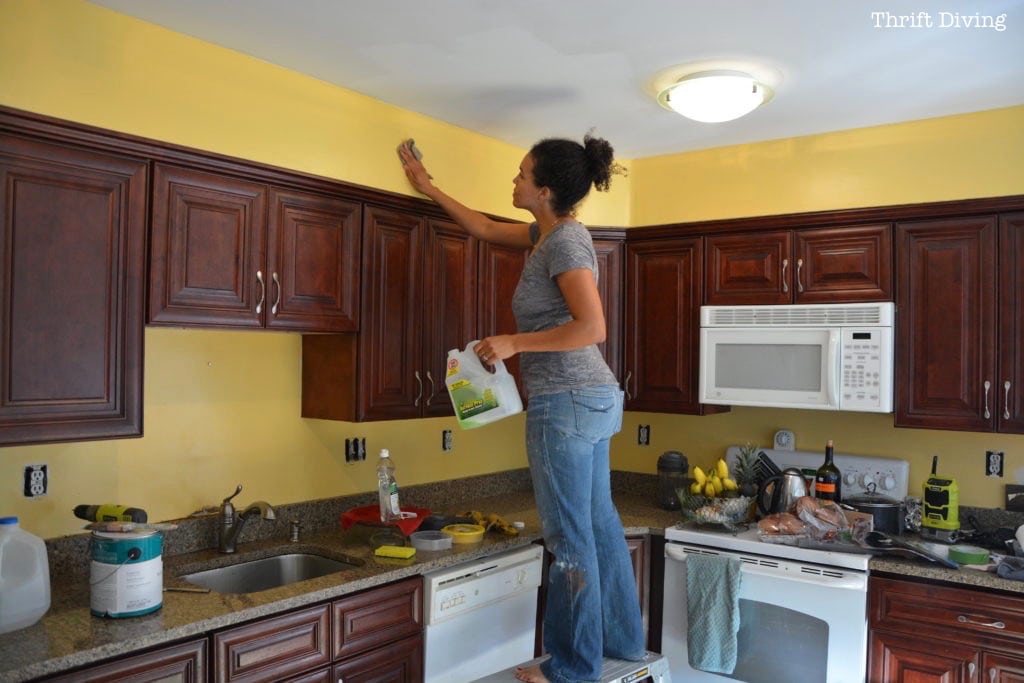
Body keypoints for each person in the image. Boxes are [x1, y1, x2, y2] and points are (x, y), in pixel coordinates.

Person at [398, 135, 645, 683]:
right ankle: (625, 642)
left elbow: (592, 328)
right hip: (592, 399)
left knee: (570, 539)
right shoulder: (546, 234)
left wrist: (515, 343)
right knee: (600, 526)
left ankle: (571, 670)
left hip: (567, 402)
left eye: (520, 175)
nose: (513, 182)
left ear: (545, 189)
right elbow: (484, 228)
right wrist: (428, 186)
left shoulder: (566, 244)